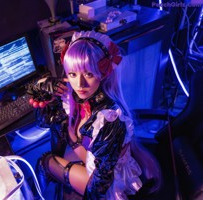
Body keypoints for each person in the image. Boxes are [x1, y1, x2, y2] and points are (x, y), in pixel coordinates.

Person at [27, 30, 161, 199]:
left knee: (45, 162)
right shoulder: (74, 97)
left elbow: (99, 185)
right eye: (72, 74)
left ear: (103, 73)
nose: (79, 84)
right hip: (92, 159)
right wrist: (43, 94)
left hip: (108, 181)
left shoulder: (109, 119)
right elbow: (44, 122)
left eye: (89, 74)